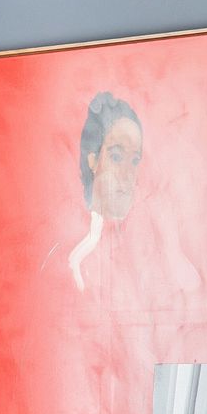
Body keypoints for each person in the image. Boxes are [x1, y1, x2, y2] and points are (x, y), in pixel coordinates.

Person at [68, 93, 144, 290]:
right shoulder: (74, 256)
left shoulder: (143, 251)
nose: (127, 174)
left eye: (135, 160)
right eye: (116, 157)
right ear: (93, 160)